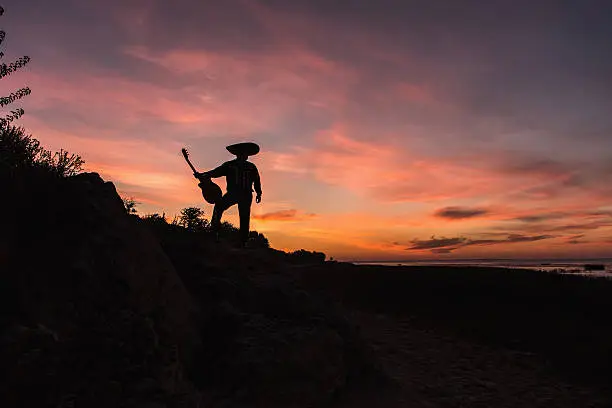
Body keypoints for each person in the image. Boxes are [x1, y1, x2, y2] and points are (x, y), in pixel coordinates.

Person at [195, 142, 262, 247]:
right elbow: (216, 172)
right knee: (219, 207)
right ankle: (214, 232)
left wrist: (259, 192)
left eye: (247, 153)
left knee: (244, 216)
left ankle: (243, 241)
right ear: (239, 154)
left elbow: (256, 180)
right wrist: (204, 174)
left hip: (246, 194)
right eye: (244, 153)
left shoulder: (251, 167)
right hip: (233, 193)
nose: (246, 155)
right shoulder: (230, 165)